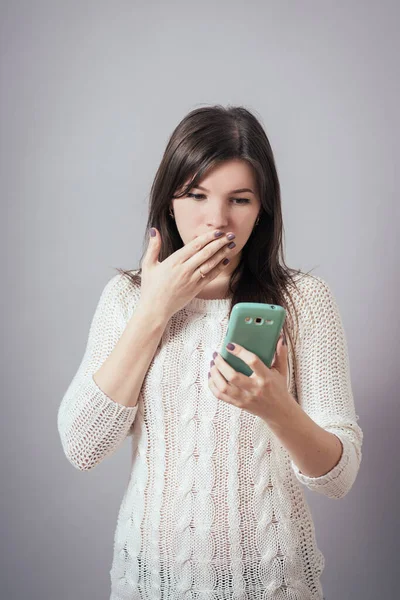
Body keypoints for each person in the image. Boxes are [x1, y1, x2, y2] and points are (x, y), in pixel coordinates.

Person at [57, 104, 363, 600]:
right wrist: (155, 309)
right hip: (150, 581)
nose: (216, 220)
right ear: (169, 200)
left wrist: (278, 409)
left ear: (262, 207)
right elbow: (82, 447)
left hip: (273, 582)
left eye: (239, 199)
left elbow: (339, 478)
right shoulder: (126, 300)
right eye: (196, 194)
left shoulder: (305, 300)